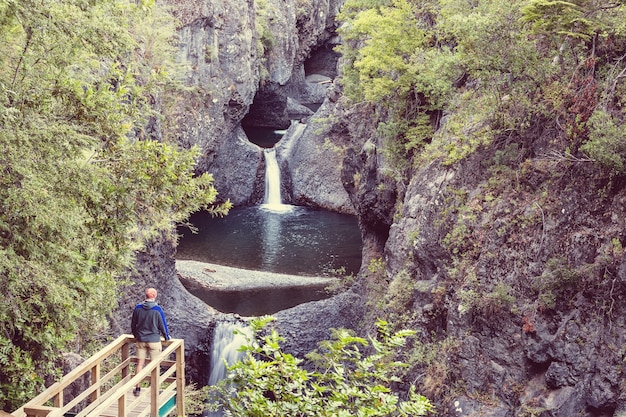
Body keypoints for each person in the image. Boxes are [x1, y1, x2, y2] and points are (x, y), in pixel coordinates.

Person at [130, 287, 171, 396]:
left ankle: (137, 388)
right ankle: (155, 390)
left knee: (139, 364)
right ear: (154, 296)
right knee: (155, 365)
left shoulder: (138, 308)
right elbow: (163, 325)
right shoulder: (157, 310)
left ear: (146, 296)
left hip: (141, 340)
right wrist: (166, 337)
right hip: (154, 341)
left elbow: (133, 325)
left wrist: (136, 335)